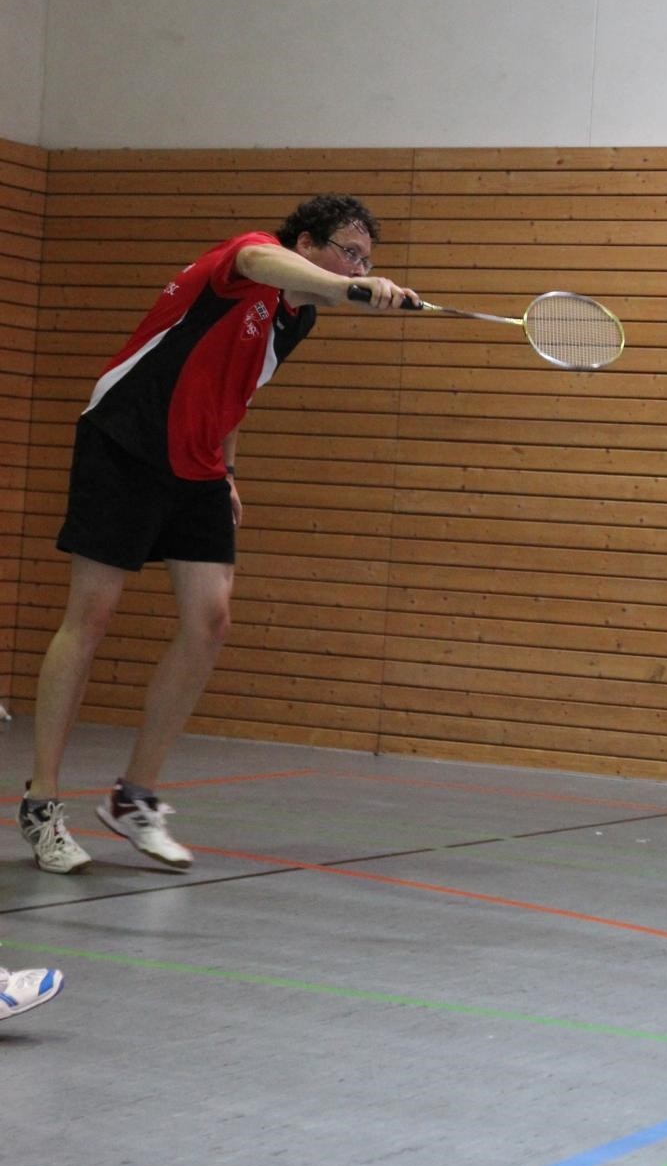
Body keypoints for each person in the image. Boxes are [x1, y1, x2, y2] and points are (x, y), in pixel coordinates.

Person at [18, 194, 419, 874]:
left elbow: (236, 388)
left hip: (199, 465)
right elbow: (261, 260)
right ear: (306, 243)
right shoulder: (248, 258)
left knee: (210, 622)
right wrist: (354, 287)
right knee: (91, 617)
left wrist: (228, 470)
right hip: (124, 442)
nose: (357, 267)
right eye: (349, 252)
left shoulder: (297, 320)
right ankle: (42, 803)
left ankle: (133, 798)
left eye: (366, 260)